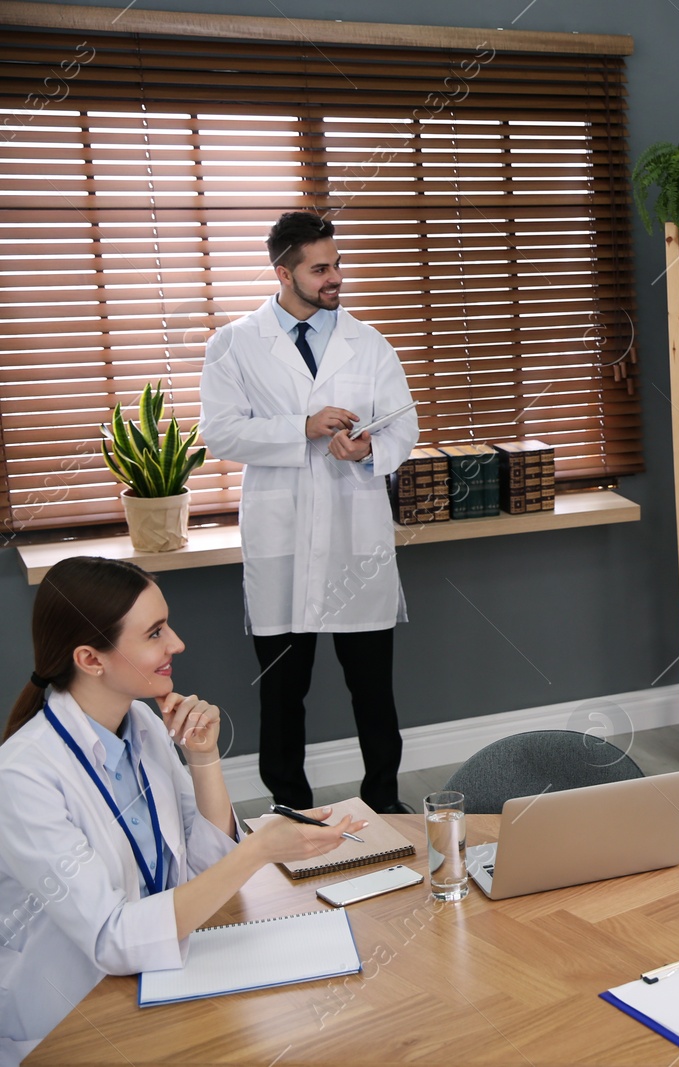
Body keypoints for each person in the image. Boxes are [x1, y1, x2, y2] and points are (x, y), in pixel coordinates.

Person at [0, 557, 358, 1064]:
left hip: (163, 977)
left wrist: (203, 757)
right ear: (90, 658)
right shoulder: (22, 777)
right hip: (71, 1020)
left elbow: (204, 877)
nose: (177, 644)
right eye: (155, 633)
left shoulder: (142, 724)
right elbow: (112, 940)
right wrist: (256, 850)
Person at [200, 210, 419, 814]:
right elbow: (218, 434)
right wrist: (301, 428)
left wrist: (369, 446)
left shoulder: (368, 342)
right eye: (320, 269)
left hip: (355, 531)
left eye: (337, 265)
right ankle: (289, 808)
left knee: (373, 689)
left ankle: (384, 802)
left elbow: (403, 423)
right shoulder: (235, 344)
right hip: (283, 535)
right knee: (283, 692)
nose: (334, 278)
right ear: (283, 272)